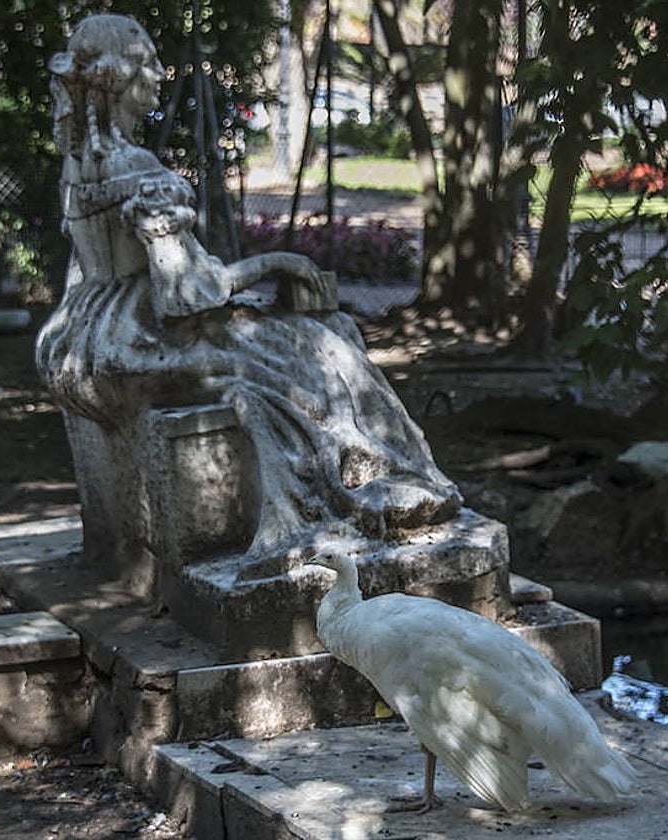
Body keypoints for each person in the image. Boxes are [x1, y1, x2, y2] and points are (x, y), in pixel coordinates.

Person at [36, 14, 460, 556]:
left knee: (312, 338)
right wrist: (276, 263)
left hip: (84, 335)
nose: (160, 74)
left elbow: (104, 272)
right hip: (143, 338)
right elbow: (184, 297)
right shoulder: (136, 167)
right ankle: (381, 483)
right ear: (119, 77)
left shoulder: (80, 166)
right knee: (325, 347)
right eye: (147, 62)